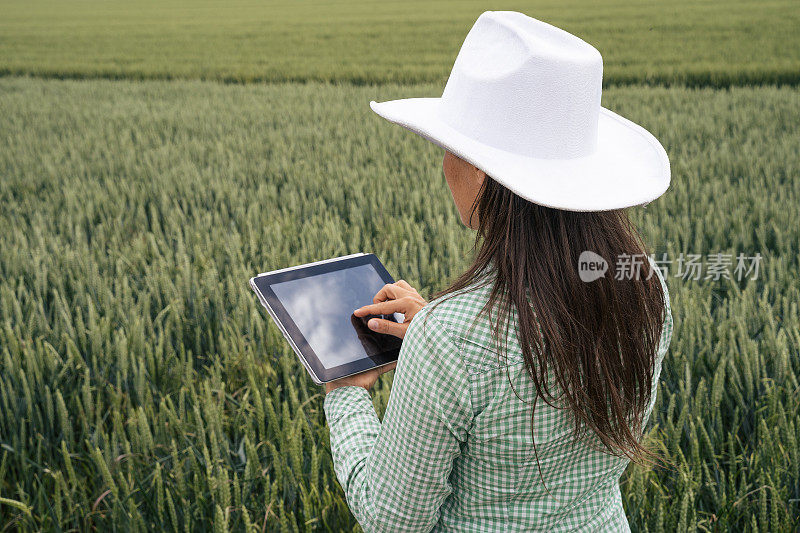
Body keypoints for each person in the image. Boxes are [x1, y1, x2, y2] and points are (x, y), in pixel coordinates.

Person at [322, 11, 673, 532]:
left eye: (451, 146)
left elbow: (390, 520)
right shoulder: (643, 288)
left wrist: (345, 394)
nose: (444, 163)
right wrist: (434, 338)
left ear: (484, 171)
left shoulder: (453, 341)